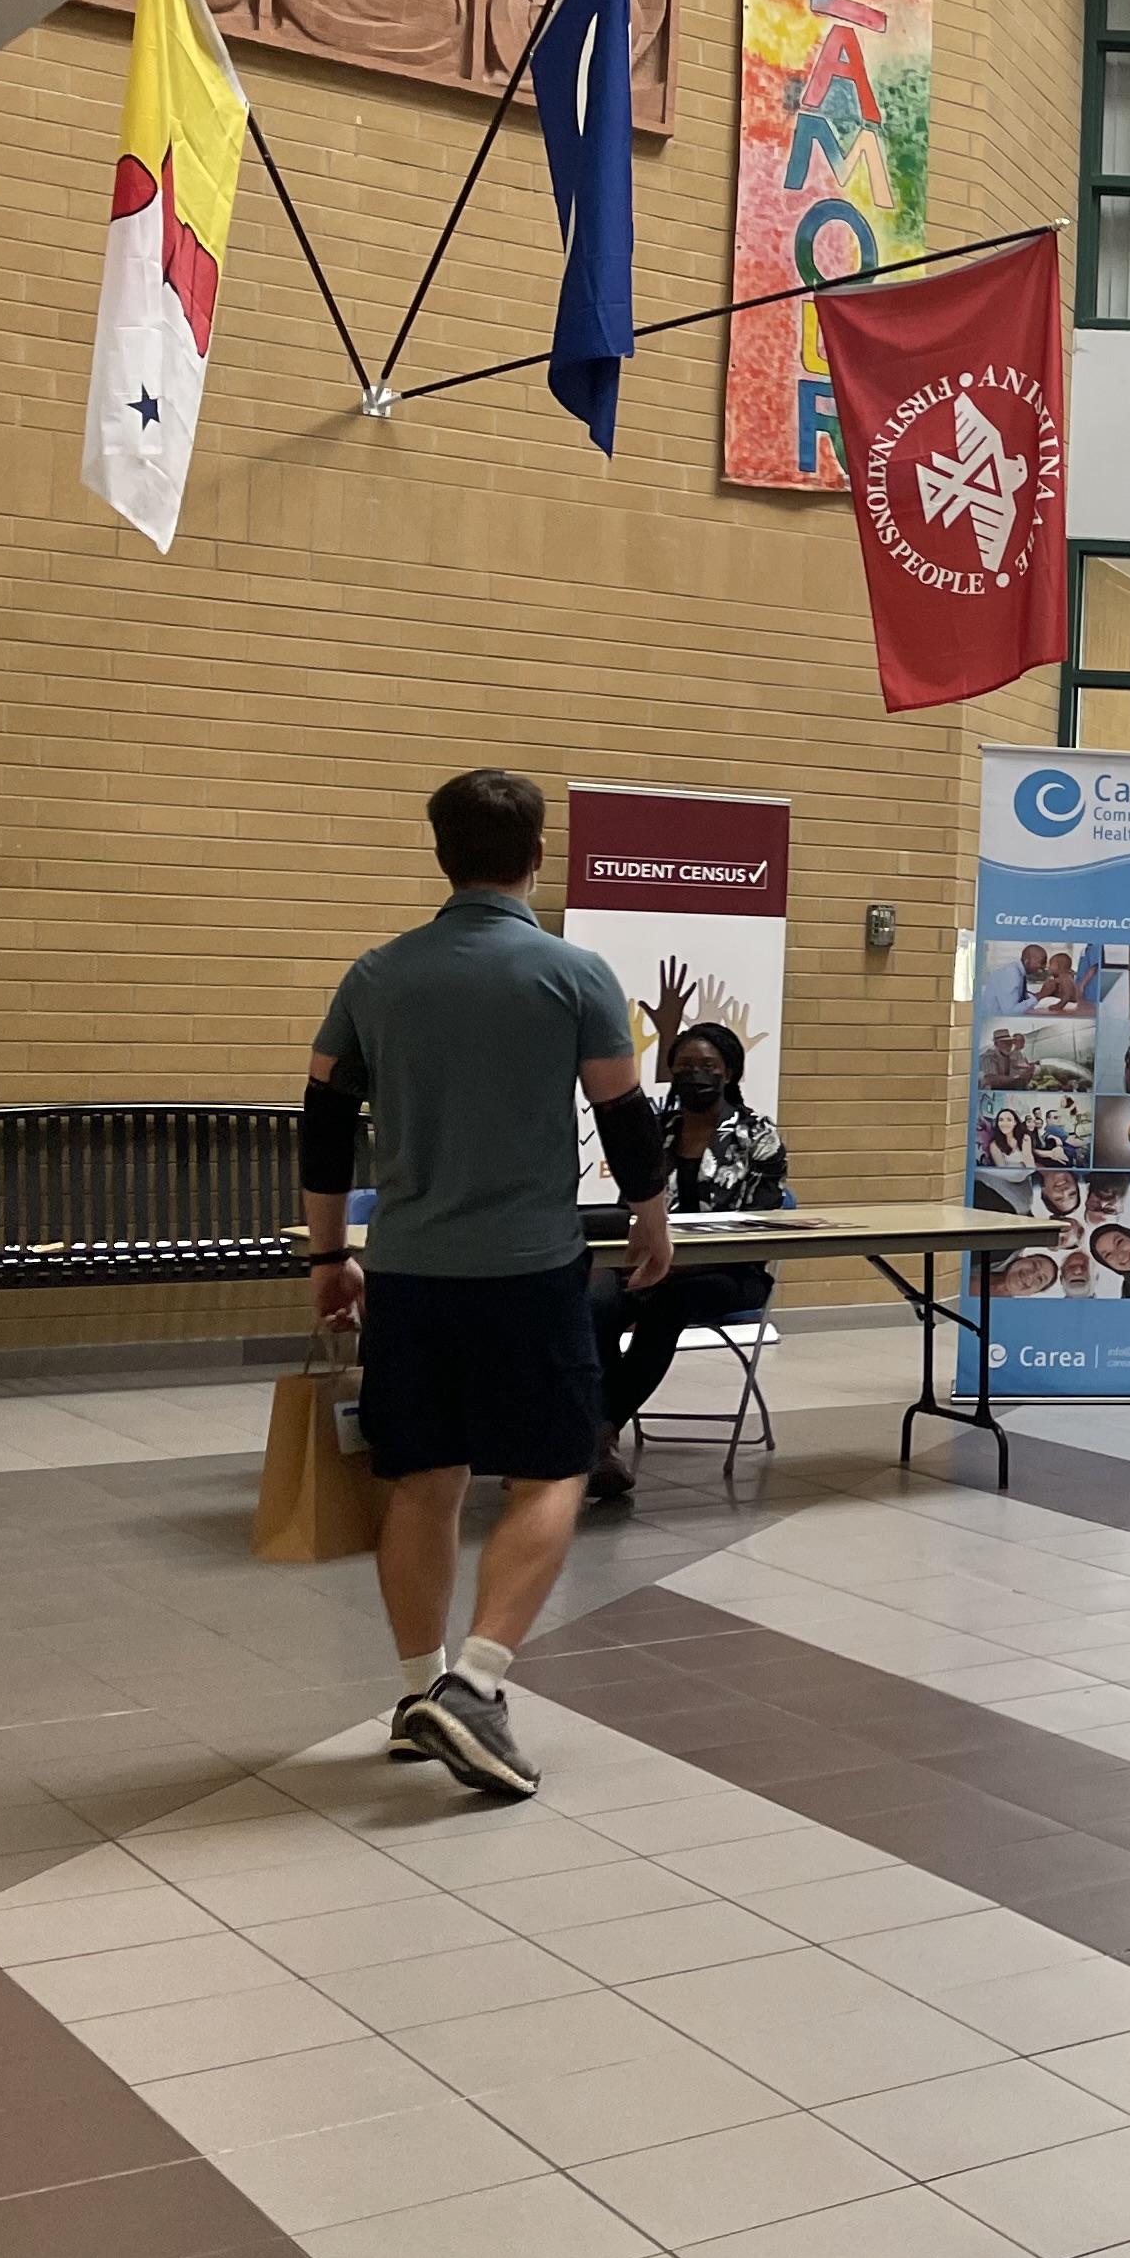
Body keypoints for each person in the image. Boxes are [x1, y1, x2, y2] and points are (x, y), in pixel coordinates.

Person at [304, 769, 669, 1800]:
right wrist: (652, 1223)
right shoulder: (574, 973)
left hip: (411, 1272)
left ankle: (419, 1696)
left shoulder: (376, 977)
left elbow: (325, 1125)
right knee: (553, 1468)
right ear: (537, 856)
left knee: (423, 1478)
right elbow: (622, 1118)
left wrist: (329, 1260)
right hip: (530, 1269)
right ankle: (476, 1682)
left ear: (440, 856)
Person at [584, 1022, 788, 1500]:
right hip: (652, 1262)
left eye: (708, 1067)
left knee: (668, 1303)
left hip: (729, 1273)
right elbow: (632, 1207)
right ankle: (593, 1433)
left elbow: (760, 1221)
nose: (695, 1075)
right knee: (594, 1299)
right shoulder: (655, 1130)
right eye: (685, 1067)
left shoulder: (757, 1135)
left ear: (730, 1072)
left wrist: (681, 1260)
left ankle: (597, 1434)